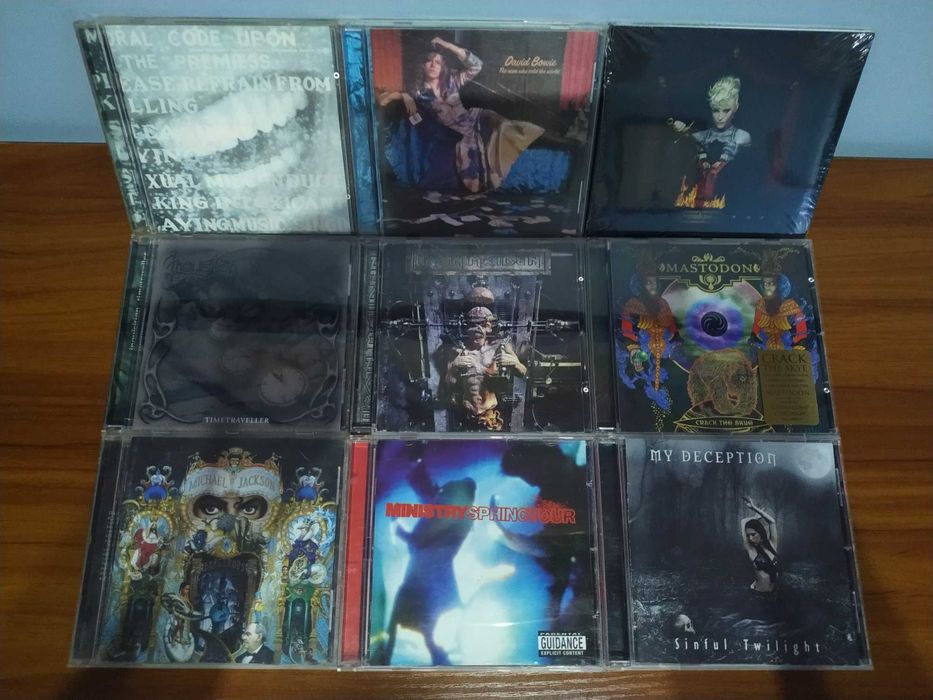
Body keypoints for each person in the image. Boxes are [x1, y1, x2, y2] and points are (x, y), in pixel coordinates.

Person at [377, 37, 551, 193]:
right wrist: (403, 95)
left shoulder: (452, 80)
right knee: (469, 159)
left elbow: (477, 65)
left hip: (475, 118)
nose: (433, 65)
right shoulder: (417, 90)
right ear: (422, 65)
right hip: (455, 130)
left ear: (443, 67)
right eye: (429, 61)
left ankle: (548, 136)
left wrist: (448, 46)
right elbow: (382, 99)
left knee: (506, 126)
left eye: (438, 62)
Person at [671, 75, 751, 207]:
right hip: (697, 203)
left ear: (736, 107)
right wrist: (681, 128)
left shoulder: (742, 136)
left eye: (726, 111)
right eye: (716, 110)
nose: (720, 117)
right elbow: (686, 136)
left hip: (730, 202)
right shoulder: (701, 136)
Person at [444, 306, 526, 431]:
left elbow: (523, 372)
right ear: (467, 327)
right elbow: (448, 385)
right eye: (473, 325)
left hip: (491, 411)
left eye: (482, 325)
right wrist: (454, 367)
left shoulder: (501, 347)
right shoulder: (457, 350)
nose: (477, 329)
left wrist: (514, 363)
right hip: (466, 411)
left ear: (489, 326)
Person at [741, 496, 779, 593]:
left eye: (753, 534)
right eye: (748, 536)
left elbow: (772, 522)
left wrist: (754, 508)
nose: (750, 538)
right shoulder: (752, 551)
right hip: (758, 595)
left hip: (774, 595)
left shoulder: (772, 545)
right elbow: (743, 522)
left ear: (760, 532)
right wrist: (754, 518)